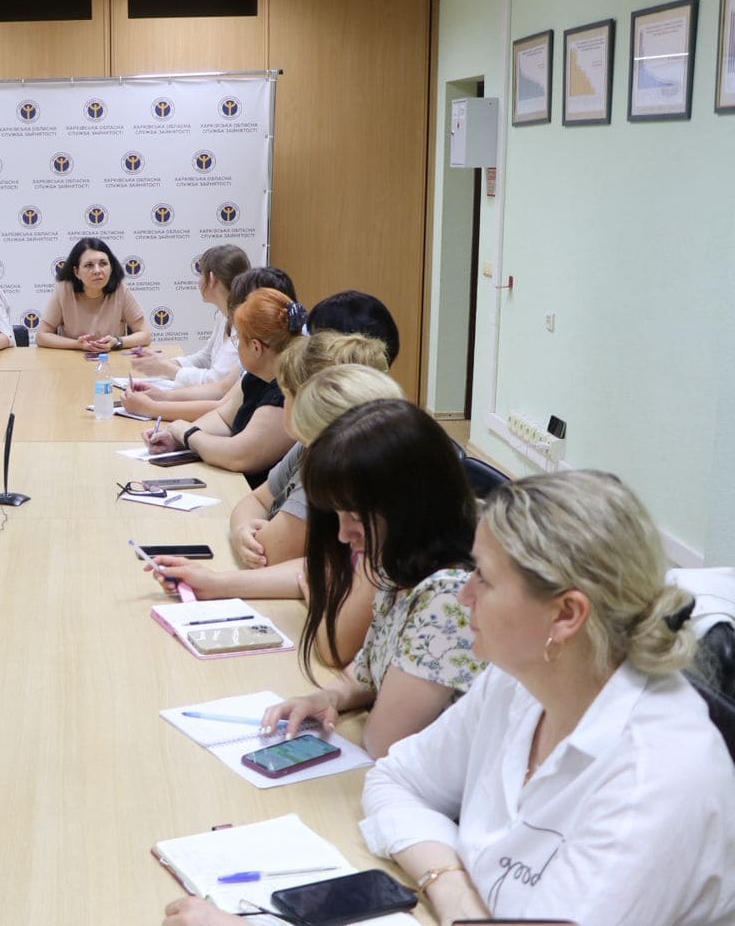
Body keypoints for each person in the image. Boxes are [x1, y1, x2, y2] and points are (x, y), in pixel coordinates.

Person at [360, 470, 735, 926]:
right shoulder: (521, 678)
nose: (463, 595)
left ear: (566, 614)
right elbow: (396, 780)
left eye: (484, 578)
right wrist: (450, 886)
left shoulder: (655, 776)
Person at [263, 399, 485, 757]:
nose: (343, 534)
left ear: (410, 503)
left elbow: (384, 742)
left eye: (355, 516)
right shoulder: (398, 562)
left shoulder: (450, 597)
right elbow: (367, 666)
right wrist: (330, 696)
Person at [146, 355, 401, 602]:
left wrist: (223, 577)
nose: (344, 534)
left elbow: (275, 554)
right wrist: (219, 575)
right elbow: (319, 568)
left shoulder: (334, 460)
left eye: (285, 396)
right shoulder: (318, 450)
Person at [143, 288, 301, 488]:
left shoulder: (287, 394)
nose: (237, 347)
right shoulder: (257, 375)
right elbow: (223, 419)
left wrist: (187, 433)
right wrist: (175, 438)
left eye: (238, 340)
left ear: (256, 347)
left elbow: (239, 456)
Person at [122, 266, 296, 421]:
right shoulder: (261, 358)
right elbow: (221, 394)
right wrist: (162, 396)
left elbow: (225, 415)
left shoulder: (283, 389)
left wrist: (154, 408)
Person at [130, 244, 249, 386]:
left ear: (212, 279)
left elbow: (216, 382)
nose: (199, 281)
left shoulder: (244, 325)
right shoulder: (223, 314)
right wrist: (163, 363)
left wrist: (165, 368)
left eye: (201, 274)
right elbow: (206, 357)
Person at [32, 237, 152, 351]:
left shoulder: (120, 289)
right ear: (77, 272)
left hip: (111, 359)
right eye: (89, 265)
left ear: (111, 268)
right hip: (72, 358)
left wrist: (117, 342)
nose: (97, 271)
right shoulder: (64, 290)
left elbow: (145, 335)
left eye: (103, 264)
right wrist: (77, 345)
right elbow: (42, 336)